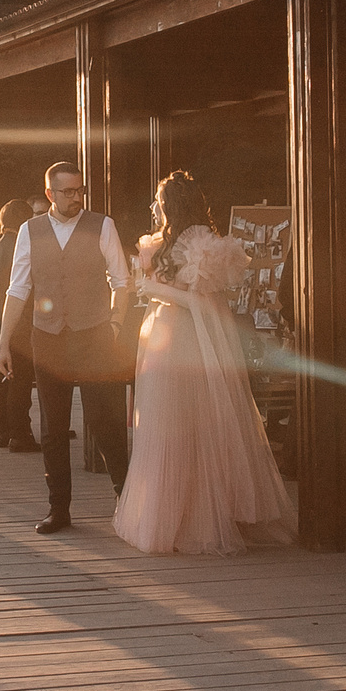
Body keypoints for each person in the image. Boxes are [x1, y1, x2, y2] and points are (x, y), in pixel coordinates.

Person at [115, 172, 292, 554]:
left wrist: (151, 289)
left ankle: (196, 516)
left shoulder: (206, 245)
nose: (155, 205)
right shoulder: (157, 244)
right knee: (167, 426)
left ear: (172, 203)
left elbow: (197, 302)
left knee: (193, 425)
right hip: (162, 338)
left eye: (159, 198)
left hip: (188, 339)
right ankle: (175, 513)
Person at [0, 162, 131, 533]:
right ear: (50, 194)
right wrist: (3, 343)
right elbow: (17, 288)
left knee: (107, 422)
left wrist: (115, 323)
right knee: (53, 427)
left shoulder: (102, 225)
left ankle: (128, 501)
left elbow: (122, 280)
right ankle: (59, 509)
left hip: (95, 337)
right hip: (48, 337)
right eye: (68, 192)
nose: (76, 198)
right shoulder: (29, 230)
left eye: (80, 190)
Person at [0, 199, 39, 452]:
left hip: (0, 319)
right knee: (21, 380)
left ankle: (1, 432)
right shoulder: (23, 245)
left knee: (2, 377)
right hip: (22, 320)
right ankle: (20, 434)